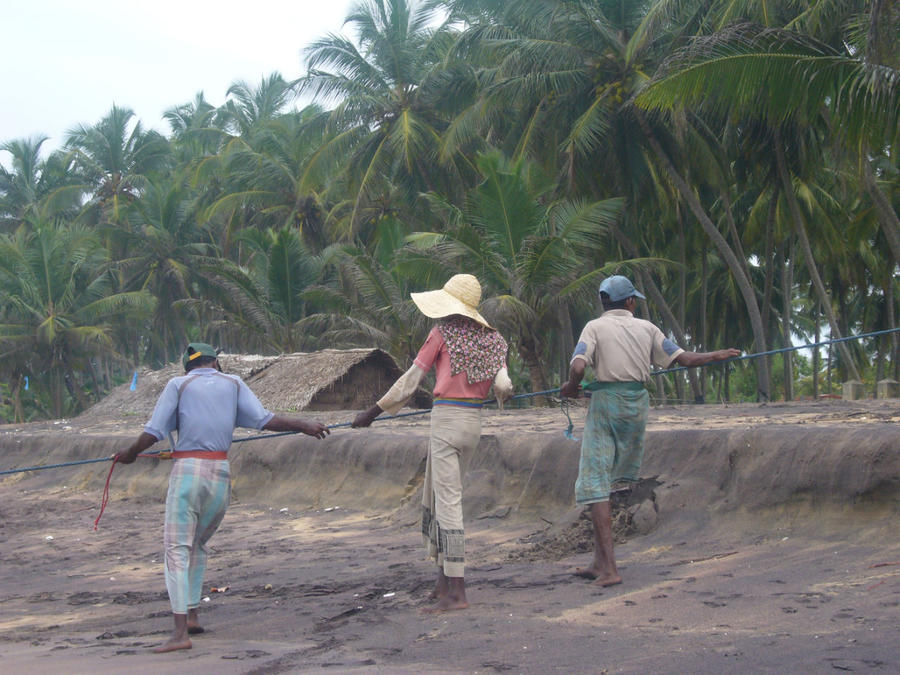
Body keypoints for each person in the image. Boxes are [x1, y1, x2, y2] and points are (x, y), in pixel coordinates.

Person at [116, 343, 329, 653]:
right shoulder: (234, 383)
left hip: (188, 472)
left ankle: (179, 634)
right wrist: (304, 425)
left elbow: (154, 431)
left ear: (187, 366)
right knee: (198, 545)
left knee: (176, 548)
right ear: (215, 362)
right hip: (220, 473)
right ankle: (191, 614)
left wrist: (129, 454)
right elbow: (265, 420)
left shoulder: (178, 384)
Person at [560, 275, 740, 587]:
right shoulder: (647, 328)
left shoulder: (594, 327)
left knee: (595, 482)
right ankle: (599, 561)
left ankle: (610, 569)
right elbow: (683, 358)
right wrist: (717, 355)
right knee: (610, 480)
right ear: (629, 302)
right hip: (636, 405)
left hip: (606, 405)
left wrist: (571, 388)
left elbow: (578, 367)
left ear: (605, 303)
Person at [352, 274, 513, 612]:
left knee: (449, 503)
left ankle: (458, 591)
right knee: (441, 496)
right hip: (473, 424)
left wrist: (372, 412)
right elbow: (503, 385)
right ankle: (443, 581)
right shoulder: (495, 340)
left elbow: (411, 381)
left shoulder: (442, 334)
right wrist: (493, 391)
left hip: (447, 421)